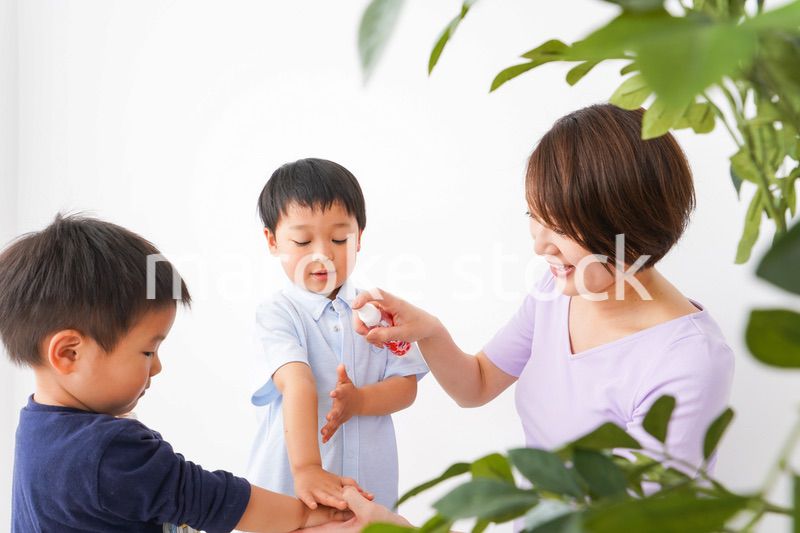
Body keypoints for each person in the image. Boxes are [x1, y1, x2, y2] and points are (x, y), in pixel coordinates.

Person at [354, 104, 735, 475]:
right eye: (534, 217)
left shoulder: (689, 361)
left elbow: (622, 516)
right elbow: (478, 384)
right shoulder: (557, 292)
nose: (540, 245)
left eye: (563, 228)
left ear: (632, 226)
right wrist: (429, 331)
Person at [0, 214, 351, 533]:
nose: (157, 366)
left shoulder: (35, 427)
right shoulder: (109, 449)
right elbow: (212, 498)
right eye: (148, 351)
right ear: (69, 353)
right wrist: (311, 516)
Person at [247, 158, 429, 510]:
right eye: (301, 240)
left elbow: (406, 386)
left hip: (367, 493)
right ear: (272, 240)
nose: (323, 253)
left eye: (338, 238)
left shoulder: (378, 309)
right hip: (293, 494)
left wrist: (359, 401)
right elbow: (298, 383)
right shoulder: (277, 314)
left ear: (359, 237)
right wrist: (308, 468)